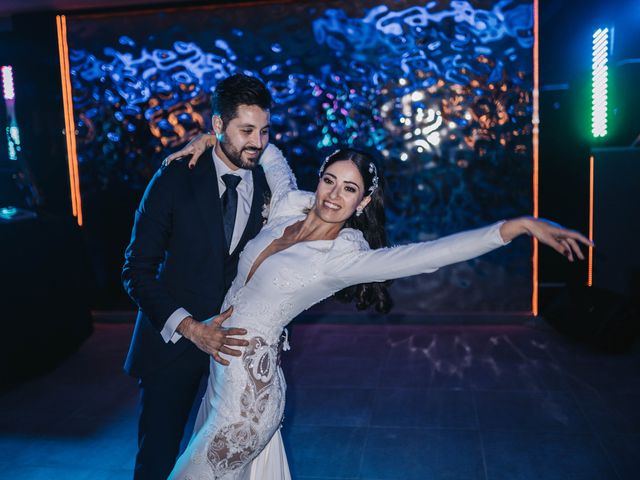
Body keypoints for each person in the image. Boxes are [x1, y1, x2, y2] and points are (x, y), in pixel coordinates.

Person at [163, 135, 591, 479]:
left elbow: (430, 255)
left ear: (362, 202)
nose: (334, 194)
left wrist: (515, 227)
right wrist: (212, 137)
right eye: (330, 180)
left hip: (248, 403)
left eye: (350, 189)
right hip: (220, 377)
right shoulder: (286, 207)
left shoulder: (344, 259)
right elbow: (265, 147)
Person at [122, 74, 275, 480]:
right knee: (157, 458)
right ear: (218, 125)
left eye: (264, 131)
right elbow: (135, 270)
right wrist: (190, 328)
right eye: (246, 131)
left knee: (222, 461)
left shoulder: (268, 185)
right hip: (171, 347)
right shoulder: (174, 177)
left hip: (235, 349)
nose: (257, 143)